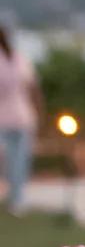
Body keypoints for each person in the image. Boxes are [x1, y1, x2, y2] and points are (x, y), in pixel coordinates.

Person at [0, 22, 40, 216]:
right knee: (14, 162)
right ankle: (15, 198)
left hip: (17, 119)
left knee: (16, 162)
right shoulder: (20, 59)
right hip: (18, 118)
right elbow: (34, 89)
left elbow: (33, 88)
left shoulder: (19, 60)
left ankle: (17, 198)